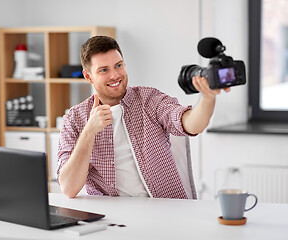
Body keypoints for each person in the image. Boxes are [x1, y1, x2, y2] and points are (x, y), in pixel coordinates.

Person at [57, 36, 230, 199]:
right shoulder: (74, 119)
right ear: (88, 76)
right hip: (111, 217)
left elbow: (190, 124)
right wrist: (89, 132)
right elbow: (69, 188)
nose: (115, 75)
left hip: (163, 209)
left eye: (118, 65)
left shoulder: (149, 99)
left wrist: (208, 99)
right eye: (104, 70)